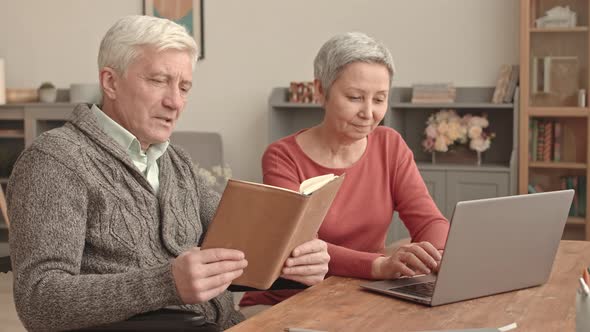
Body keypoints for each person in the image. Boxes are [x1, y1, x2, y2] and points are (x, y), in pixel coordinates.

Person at [7, 15, 329, 331]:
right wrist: (165, 283)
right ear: (110, 82)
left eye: (184, 87)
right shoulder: (55, 161)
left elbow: (234, 250)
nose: (175, 101)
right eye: (158, 80)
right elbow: (38, 301)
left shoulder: (176, 161)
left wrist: (292, 264)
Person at [240, 32, 450, 309]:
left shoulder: (390, 145)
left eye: (379, 99)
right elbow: (302, 246)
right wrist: (379, 265)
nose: (369, 112)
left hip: (361, 293)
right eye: (354, 97)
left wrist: (435, 255)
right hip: (286, 301)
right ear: (320, 91)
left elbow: (429, 221)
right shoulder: (283, 157)